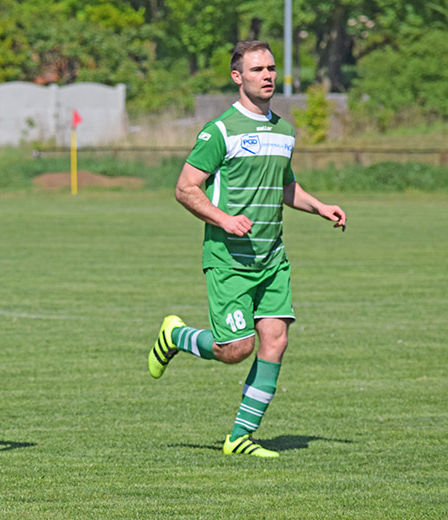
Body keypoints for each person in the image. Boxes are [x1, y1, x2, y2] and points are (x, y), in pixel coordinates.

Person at [148, 40, 346, 458]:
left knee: (275, 340)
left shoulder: (284, 131)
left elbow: (285, 186)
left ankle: (240, 437)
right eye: (258, 70)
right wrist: (223, 219)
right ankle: (176, 335)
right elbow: (185, 188)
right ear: (238, 77)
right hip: (229, 259)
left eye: (271, 68)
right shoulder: (219, 131)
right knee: (236, 350)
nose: (268, 75)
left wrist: (319, 207)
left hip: (272, 257)